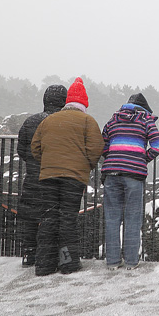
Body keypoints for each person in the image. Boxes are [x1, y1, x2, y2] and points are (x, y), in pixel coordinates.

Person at [31, 77, 104, 276]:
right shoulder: (88, 121)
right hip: (73, 178)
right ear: (84, 104)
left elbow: (35, 148)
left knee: (48, 217)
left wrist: (47, 163)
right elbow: (96, 148)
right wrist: (86, 165)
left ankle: (44, 265)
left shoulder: (48, 120)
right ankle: (67, 263)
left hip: (48, 177)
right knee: (67, 219)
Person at [101, 93, 159, 270]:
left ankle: (112, 262)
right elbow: (158, 145)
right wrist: (143, 159)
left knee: (112, 218)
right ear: (145, 108)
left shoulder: (113, 120)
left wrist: (113, 158)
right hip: (134, 174)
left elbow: (103, 144)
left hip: (111, 173)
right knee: (132, 218)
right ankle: (130, 262)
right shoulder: (145, 120)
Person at [16, 84, 67, 267]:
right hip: (56, 177)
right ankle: (52, 254)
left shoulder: (31, 121)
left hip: (33, 176)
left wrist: (34, 161)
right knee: (53, 216)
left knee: (30, 215)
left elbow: (21, 149)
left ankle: (29, 253)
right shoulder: (64, 122)